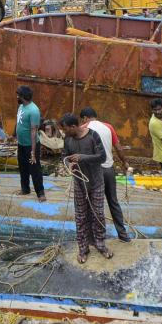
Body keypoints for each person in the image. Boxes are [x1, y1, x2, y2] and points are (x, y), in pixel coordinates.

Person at [60, 113, 111, 263]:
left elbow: (102, 157)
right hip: (79, 183)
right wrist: (68, 164)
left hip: (96, 182)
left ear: (73, 127)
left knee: (98, 214)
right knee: (81, 216)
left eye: (65, 129)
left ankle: (100, 244)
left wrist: (83, 157)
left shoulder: (93, 136)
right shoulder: (68, 139)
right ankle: (83, 248)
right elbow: (64, 156)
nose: (64, 132)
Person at [79, 106, 131, 242]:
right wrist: (125, 163)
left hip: (94, 172)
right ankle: (123, 235)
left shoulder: (84, 128)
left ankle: (95, 238)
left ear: (84, 118)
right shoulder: (109, 127)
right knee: (113, 201)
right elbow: (118, 148)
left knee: (94, 205)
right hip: (109, 170)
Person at [14, 85, 46, 201]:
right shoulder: (21, 106)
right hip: (21, 144)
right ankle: (25, 189)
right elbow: (18, 122)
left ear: (22, 96)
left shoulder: (33, 110)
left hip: (31, 145)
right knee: (23, 167)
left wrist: (33, 151)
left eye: (18, 95)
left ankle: (40, 193)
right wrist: (14, 135)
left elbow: (34, 131)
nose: (17, 97)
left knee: (35, 169)